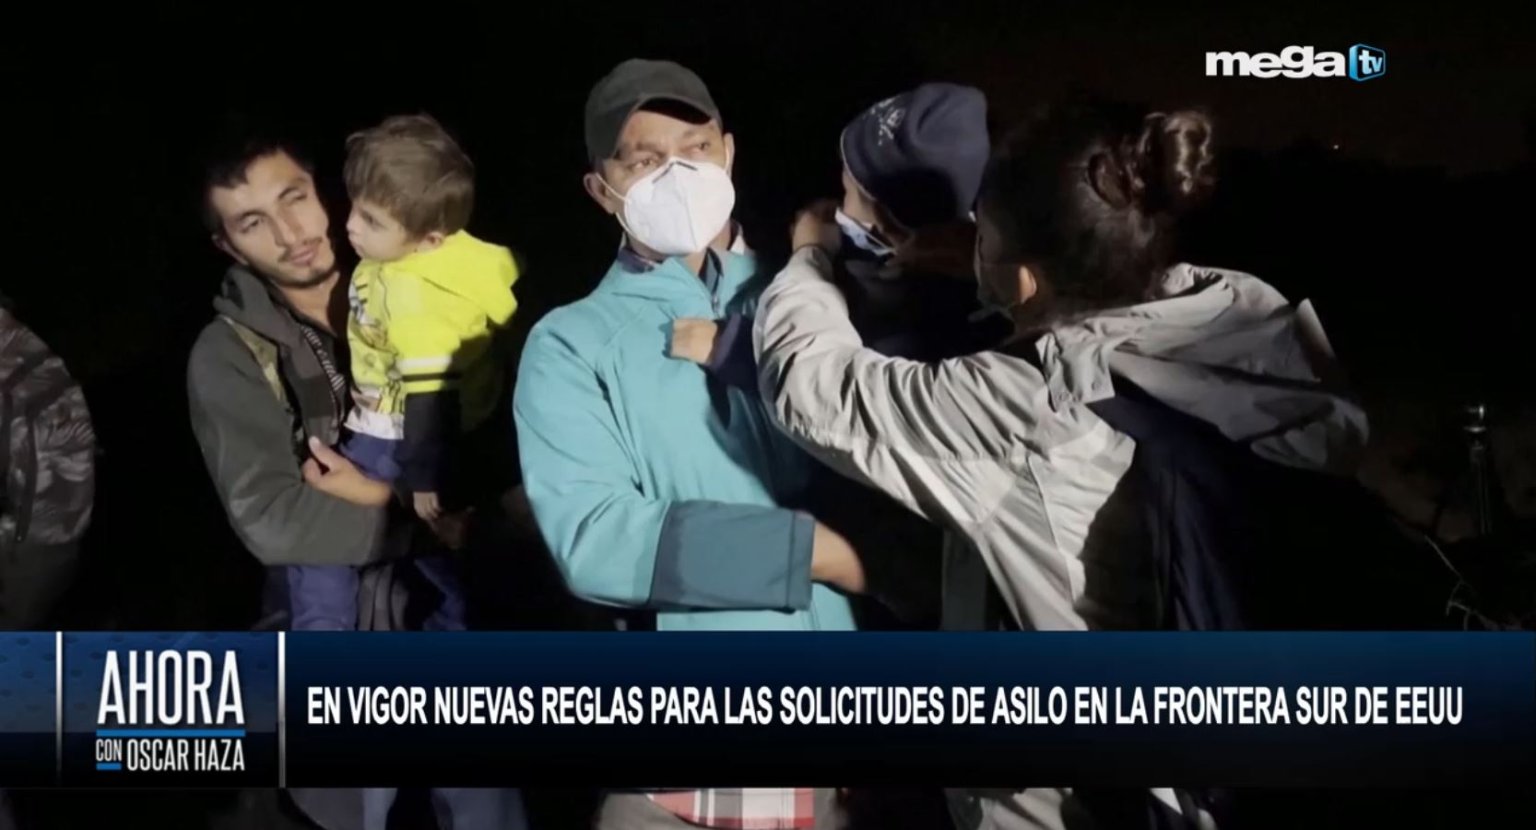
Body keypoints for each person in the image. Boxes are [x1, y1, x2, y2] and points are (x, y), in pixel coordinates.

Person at [754, 99, 1369, 829]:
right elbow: (1092, 317)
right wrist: (1003, 267)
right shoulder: (1241, 311)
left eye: (984, 234)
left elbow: (810, 388)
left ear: (1023, 276)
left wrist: (809, 256)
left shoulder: (1027, 410)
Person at [513, 57, 861, 829]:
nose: (676, 172)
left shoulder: (810, 296)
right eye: (643, 160)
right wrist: (812, 552)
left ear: (728, 154)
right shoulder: (571, 341)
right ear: (602, 190)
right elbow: (596, 538)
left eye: (695, 148)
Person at [187, 124, 526, 830]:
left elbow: (509, 437)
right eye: (253, 223)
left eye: (295, 198)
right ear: (229, 247)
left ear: (326, 191)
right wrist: (416, 520)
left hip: (456, 612)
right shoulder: (229, 355)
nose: (290, 233)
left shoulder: (421, 282)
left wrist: (401, 500)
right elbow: (272, 518)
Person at [669, 82, 1008, 632]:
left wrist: (745, 344)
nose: (832, 207)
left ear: (888, 229)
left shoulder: (958, 332)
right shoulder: (968, 283)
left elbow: (838, 391)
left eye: (848, 191)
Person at [286, 113, 520, 638]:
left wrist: (423, 477)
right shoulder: (465, 257)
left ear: (429, 239)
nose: (350, 226)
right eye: (353, 206)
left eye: (372, 221)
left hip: (398, 432)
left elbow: (430, 394)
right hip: (459, 432)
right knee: (441, 550)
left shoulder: (410, 297)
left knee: (323, 525)